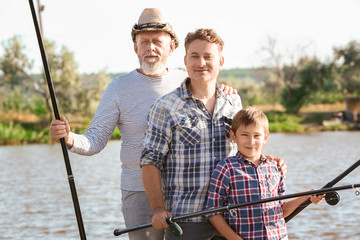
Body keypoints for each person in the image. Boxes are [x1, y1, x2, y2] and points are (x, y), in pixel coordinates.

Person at [49, 8, 236, 240]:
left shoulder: (187, 78)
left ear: (172, 47)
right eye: (144, 41)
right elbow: (95, 140)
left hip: (188, 194)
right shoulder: (119, 88)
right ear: (135, 47)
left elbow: (215, 102)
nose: (150, 48)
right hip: (139, 191)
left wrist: (224, 90)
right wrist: (68, 138)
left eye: (157, 41)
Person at [140, 29, 286, 240]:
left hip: (235, 219)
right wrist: (157, 208)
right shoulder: (165, 107)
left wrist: (268, 164)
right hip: (188, 219)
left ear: (221, 61)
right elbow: (150, 161)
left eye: (208, 56)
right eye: (195, 56)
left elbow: (244, 147)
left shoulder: (233, 102)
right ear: (185, 60)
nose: (201, 63)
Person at [206, 107, 324, 240]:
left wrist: (307, 195)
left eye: (257, 136)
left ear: (265, 137)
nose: (251, 141)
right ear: (233, 136)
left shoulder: (274, 167)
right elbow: (212, 212)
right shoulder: (226, 168)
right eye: (245, 135)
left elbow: (280, 210)